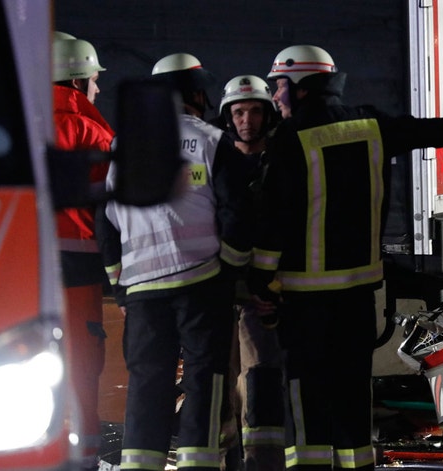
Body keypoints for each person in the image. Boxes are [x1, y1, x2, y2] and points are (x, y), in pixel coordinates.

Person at [249, 44, 443, 471]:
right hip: (359, 296)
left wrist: (260, 282)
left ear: (302, 86)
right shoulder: (370, 125)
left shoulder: (291, 138)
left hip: (305, 302)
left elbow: (274, 219)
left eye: (279, 85)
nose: (275, 95)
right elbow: (425, 131)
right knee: (352, 392)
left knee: (306, 396)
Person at [96, 52, 253, 471]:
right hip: (201, 281)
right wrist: (232, 269)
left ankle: (139, 466)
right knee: (204, 377)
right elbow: (238, 213)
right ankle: (197, 465)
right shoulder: (212, 141)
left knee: (147, 381)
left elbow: (106, 222)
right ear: (197, 94)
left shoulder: (123, 145)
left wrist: (120, 285)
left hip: (143, 289)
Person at [215, 74, 285, 471]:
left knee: (260, 379)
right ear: (228, 116)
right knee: (219, 383)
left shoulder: (278, 162)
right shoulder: (217, 160)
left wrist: (269, 287)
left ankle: (263, 463)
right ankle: (227, 462)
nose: (247, 120)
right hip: (222, 289)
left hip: (262, 292)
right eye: (239, 112)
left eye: (255, 111)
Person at [52, 36, 114, 471]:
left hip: (12, 262)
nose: (97, 89)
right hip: (78, 264)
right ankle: (81, 458)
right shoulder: (93, 131)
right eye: (93, 80)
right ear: (76, 81)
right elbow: (114, 210)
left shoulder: (11, 126)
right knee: (80, 364)